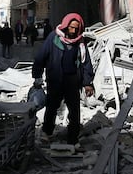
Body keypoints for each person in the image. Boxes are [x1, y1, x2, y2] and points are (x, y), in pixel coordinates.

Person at [32, 12, 95, 146]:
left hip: (72, 81)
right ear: (66, 25)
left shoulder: (80, 43)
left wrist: (87, 83)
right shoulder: (53, 38)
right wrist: (37, 75)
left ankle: (72, 138)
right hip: (55, 80)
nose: (73, 31)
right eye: (71, 27)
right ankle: (47, 132)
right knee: (52, 107)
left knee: (74, 110)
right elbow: (40, 57)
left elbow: (86, 63)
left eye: (76, 28)